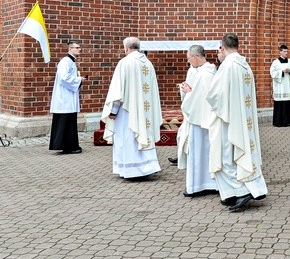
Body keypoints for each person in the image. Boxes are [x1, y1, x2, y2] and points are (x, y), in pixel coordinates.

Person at [204, 33, 268, 212]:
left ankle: (241, 191)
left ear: (222, 48)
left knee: (226, 156)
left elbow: (215, 95)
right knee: (240, 154)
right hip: (242, 118)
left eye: (219, 50)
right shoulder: (245, 65)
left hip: (228, 119)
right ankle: (232, 192)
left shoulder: (227, 66)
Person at [101, 37, 162, 179]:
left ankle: (131, 170)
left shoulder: (125, 63)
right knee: (143, 134)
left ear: (126, 48)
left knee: (127, 137)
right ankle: (147, 167)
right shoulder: (148, 63)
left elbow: (118, 91)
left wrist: (113, 111)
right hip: (144, 110)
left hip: (128, 111)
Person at [175, 45, 219, 197]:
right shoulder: (209, 71)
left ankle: (198, 185)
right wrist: (188, 91)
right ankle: (210, 183)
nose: (188, 62)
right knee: (206, 151)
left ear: (195, 57)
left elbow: (199, 97)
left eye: (188, 58)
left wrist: (188, 93)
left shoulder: (204, 75)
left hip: (199, 119)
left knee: (198, 151)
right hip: (205, 119)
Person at [49, 40, 86, 154]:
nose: (79, 49)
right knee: (65, 122)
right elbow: (63, 77)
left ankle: (70, 145)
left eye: (79, 47)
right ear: (70, 49)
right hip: (64, 98)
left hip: (68, 97)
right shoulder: (65, 62)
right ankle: (68, 146)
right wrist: (79, 79)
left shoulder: (71, 62)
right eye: (77, 47)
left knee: (69, 122)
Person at [270, 44, 290, 127]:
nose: (286, 53)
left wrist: (289, 71)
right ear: (280, 52)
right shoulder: (275, 62)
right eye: (284, 51)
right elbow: (272, 73)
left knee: (289, 104)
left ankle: (289, 121)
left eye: (287, 51)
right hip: (280, 87)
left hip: (288, 86)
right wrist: (281, 72)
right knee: (280, 104)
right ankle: (279, 122)